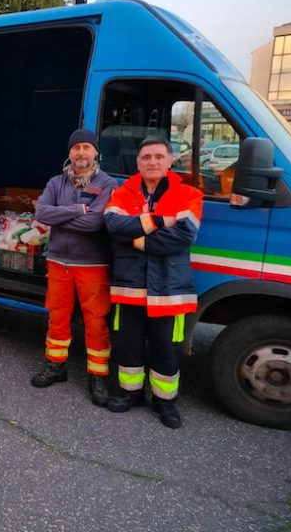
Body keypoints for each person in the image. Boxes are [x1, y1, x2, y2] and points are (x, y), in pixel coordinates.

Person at [104, 136, 203, 428]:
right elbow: (112, 225)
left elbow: (185, 235)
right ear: (138, 162)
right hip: (129, 285)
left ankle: (165, 401)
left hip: (170, 291)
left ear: (170, 160)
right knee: (127, 343)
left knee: (167, 347)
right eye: (146, 157)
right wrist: (160, 221)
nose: (152, 162)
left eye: (159, 156)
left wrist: (138, 241)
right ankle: (129, 393)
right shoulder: (124, 191)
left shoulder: (188, 194)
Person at [30, 128, 117, 407]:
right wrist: (79, 210)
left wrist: (61, 215)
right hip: (58, 262)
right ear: (69, 153)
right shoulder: (56, 182)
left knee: (95, 320)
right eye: (76, 147)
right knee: (57, 316)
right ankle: (56, 367)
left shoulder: (107, 184)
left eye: (86, 147)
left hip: (92, 264)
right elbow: (42, 213)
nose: (81, 152)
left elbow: (95, 224)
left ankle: (98, 375)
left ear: (96, 152)